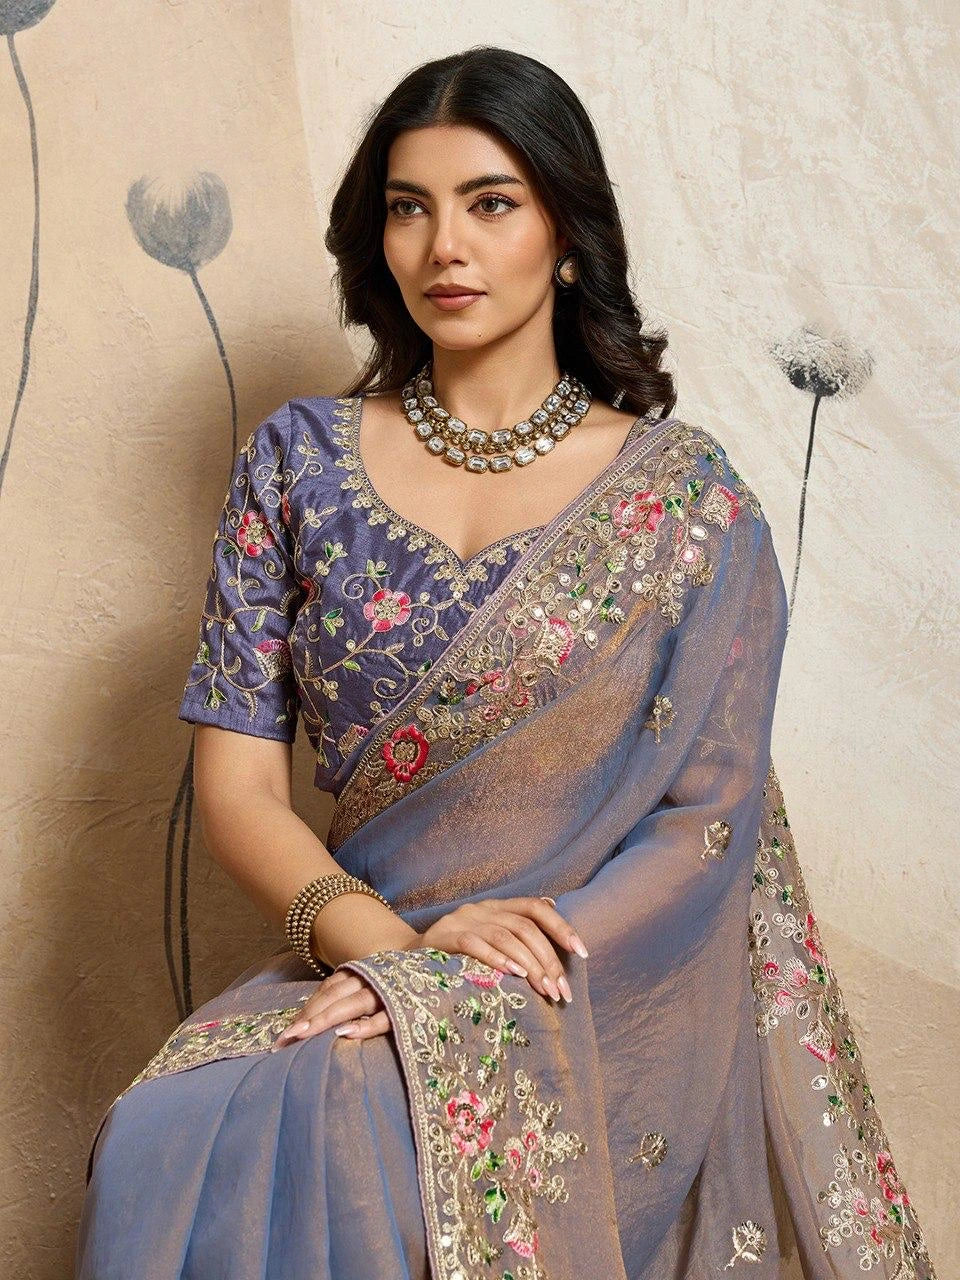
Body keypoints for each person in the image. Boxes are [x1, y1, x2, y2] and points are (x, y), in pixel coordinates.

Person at [75, 45, 938, 1280]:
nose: (444, 248)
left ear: (568, 235)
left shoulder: (684, 504)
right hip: (365, 942)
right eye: (408, 208)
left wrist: (459, 992)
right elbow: (241, 790)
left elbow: (706, 818)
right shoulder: (296, 462)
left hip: (577, 973)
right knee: (165, 1127)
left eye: (491, 203)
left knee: (363, 1111)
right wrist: (394, 959)